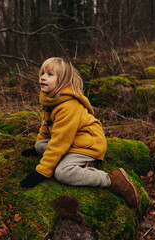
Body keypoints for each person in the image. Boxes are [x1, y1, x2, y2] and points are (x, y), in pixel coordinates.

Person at [20, 57, 139, 208]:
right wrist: (37, 146)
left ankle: (112, 180)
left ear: (62, 82)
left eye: (50, 74)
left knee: (62, 173)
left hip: (88, 144)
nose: (43, 77)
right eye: (42, 73)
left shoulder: (68, 106)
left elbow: (59, 142)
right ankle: (84, 164)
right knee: (40, 146)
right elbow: (46, 126)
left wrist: (42, 172)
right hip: (73, 140)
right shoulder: (51, 99)